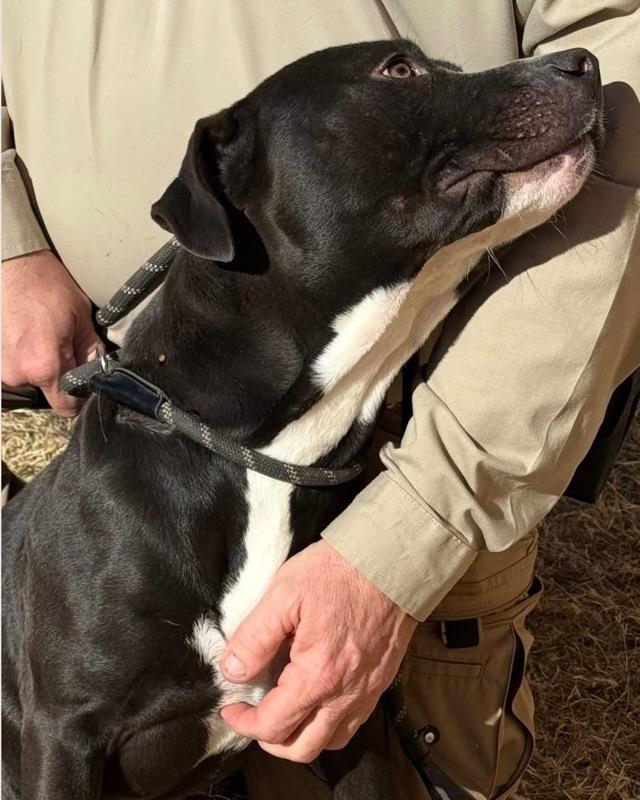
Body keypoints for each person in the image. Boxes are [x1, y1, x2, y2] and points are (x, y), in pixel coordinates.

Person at [2, 2, 639, 797]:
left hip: (425, 436)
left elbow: (620, 34)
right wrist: (9, 239)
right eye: (401, 75)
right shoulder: (105, 542)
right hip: (154, 403)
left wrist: (408, 534)